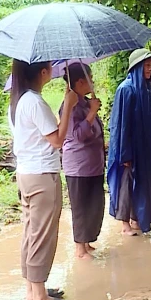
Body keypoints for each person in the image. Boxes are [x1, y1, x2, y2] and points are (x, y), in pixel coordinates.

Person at [9, 59, 77, 300]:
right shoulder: (35, 102)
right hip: (41, 175)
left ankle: (33, 288)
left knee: (31, 231)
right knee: (42, 234)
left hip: (26, 174)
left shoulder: (17, 101)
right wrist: (68, 106)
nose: (52, 70)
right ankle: (40, 298)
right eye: (49, 66)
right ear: (42, 72)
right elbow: (58, 139)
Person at [107, 49, 151, 236]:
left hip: (145, 148)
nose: (150, 69)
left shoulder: (146, 90)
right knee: (126, 184)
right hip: (130, 149)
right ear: (137, 67)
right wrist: (125, 154)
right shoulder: (126, 89)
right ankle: (125, 225)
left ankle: (137, 219)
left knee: (142, 183)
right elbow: (121, 125)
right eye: (146, 66)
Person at [60, 63, 105, 260]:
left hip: (93, 164)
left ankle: (86, 242)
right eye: (90, 78)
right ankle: (80, 249)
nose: (92, 82)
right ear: (79, 82)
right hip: (79, 166)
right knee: (81, 206)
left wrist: (92, 108)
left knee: (94, 205)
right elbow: (77, 136)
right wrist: (92, 112)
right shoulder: (69, 106)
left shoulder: (85, 102)